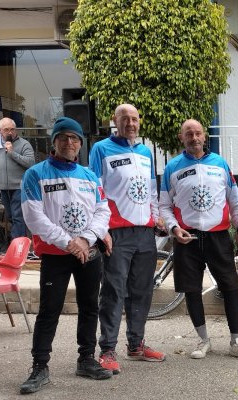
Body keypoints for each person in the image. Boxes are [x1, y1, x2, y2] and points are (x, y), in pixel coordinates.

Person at [18, 117, 113, 394]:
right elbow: (34, 218)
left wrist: (85, 239)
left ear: (80, 144)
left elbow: (103, 210)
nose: (69, 143)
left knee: (89, 307)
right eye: (63, 137)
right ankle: (39, 366)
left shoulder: (90, 176)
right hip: (55, 254)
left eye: (74, 138)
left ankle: (86, 359)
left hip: (89, 252)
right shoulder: (35, 174)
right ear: (54, 142)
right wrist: (69, 243)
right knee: (49, 310)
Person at [159, 119, 238, 361]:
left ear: (204, 136)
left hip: (218, 235)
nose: (194, 137)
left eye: (198, 133)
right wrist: (173, 228)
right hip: (187, 238)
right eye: (188, 134)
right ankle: (204, 340)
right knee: (191, 290)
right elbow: (164, 205)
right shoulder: (172, 168)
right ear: (182, 138)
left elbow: (235, 202)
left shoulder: (220, 164)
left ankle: (236, 342)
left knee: (230, 287)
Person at [90, 104, 165, 375]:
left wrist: (157, 218)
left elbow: (152, 190)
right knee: (113, 291)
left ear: (139, 122)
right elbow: (95, 191)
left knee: (142, 291)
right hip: (116, 232)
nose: (130, 124)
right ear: (115, 121)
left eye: (134, 119)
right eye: (125, 119)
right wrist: (102, 230)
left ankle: (136, 344)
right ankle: (107, 349)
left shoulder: (145, 152)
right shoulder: (101, 149)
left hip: (145, 232)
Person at [0, 117, 35, 243]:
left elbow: (31, 163)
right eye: (6, 129)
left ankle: (17, 247)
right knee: (11, 217)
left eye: (12, 129)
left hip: (19, 187)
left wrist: (12, 153)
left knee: (18, 217)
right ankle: (22, 243)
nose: (10, 132)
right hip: (3, 188)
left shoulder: (24, 144)